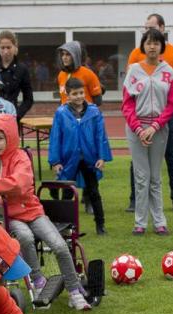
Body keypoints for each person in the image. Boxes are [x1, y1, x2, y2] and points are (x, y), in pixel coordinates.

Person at [0, 114, 94, 310]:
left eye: (0, 138)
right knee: (25, 238)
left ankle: (74, 291)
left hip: (33, 212)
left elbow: (19, 184)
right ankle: (38, 280)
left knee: (59, 245)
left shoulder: (20, 158)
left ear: (10, 137)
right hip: (9, 216)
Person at [128, 14, 173, 213]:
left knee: (172, 156)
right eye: (145, 29)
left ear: (162, 28)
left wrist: (161, 120)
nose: (147, 32)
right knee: (137, 166)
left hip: (165, 119)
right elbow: (130, 92)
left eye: (151, 27)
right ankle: (135, 200)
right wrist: (138, 126)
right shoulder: (136, 54)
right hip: (140, 121)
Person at [122, 28, 173, 236]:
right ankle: (140, 222)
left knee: (155, 176)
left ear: (161, 46)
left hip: (159, 129)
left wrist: (155, 127)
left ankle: (160, 221)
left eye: (156, 42)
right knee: (141, 176)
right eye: (149, 42)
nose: (152, 46)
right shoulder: (134, 70)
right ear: (143, 45)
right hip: (136, 128)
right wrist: (138, 129)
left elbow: (172, 104)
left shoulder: (168, 71)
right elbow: (127, 104)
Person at [49, 77, 113, 235]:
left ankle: (100, 225)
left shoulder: (94, 111)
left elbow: (100, 135)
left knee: (94, 192)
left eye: (81, 93)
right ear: (68, 95)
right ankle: (65, 226)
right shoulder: (61, 113)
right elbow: (56, 137)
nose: (79, 96)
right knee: (67, 193)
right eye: (75, 93)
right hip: (69, 158)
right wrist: (55, 161)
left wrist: (101, 157)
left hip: (89, 158)